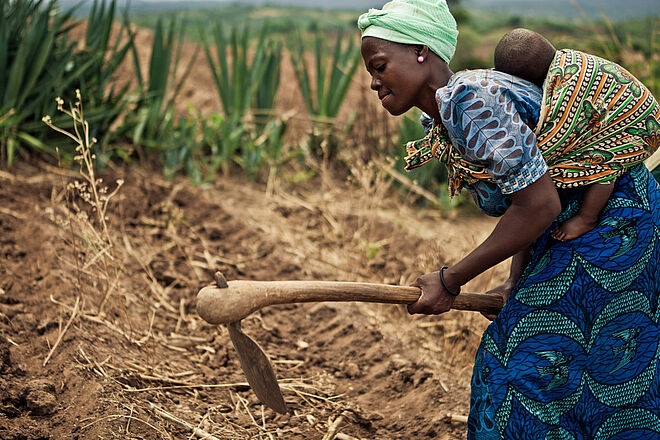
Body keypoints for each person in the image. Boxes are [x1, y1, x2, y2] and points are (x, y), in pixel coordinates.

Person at [357, 1, 660, 439]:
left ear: (421, 51)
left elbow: (539, 206)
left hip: (613, 223)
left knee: (522, 368)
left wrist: (450, 278)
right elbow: (534, 193)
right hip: (578, 227)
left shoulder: (471, 100)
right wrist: (516, 280)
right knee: (578, 374)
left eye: (380, 65)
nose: (373, 81)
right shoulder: (448, 114)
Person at [493, 28, 615, 241]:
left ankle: (587, 218)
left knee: (603, 161)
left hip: (629, 126)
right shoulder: (564, 61)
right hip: (607, 113)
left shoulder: (566, 90)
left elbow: (556, 138)